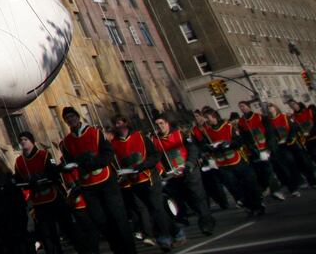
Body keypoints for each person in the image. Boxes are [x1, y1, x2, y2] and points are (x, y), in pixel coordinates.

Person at [58, 106, 135, 254]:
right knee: (100, 220)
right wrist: (62, 167)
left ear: (78, 117)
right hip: (88, 185)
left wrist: (94, 161)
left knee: (118, 217)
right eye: (67, 119)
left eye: (72, 116)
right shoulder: (66, 142)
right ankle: (117, 248)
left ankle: (129, 250)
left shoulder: (95, 132)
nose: (71, 120)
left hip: (106, 180)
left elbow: (108, 153)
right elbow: (68, 162)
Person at [111, 115, 177, 251]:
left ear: (125, 123)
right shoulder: (114, 144)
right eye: (115, 124)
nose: (118, 126)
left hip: (150, 177)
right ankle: (175, 231)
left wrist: (142, 166)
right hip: (133, 181)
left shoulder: (140, 137)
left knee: (156, 207)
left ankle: (165, 237)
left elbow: (155, 155)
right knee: (147, 210)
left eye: (119, 123)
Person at [152, 112, 215, 236]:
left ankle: (206, 225)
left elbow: (193, 149)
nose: (160, 127)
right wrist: (162, 172)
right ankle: (205, 218)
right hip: (173, 175)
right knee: (185, 200)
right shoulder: (155, 140)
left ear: (167, 123)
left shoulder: (180, 134)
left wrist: (190, 164)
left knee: (198, 198)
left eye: (161, 123)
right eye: (157, 125)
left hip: (189, 171)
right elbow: (157, 158)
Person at [13, 131, 70, 254]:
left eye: (25, 139)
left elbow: (53, 172)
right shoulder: (19, 161)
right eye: (20, 140)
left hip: (54, 197)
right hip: (38, 202)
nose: (22, 142)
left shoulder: (44, 154)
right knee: (46, 233)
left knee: (65, 227)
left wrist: (41, 177)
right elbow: (18, 179)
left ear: (32, 141)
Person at [203, 108, 266, 216]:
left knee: (248, 183)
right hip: (222, 163)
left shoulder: (229, 126)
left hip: (237, 160)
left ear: (214, 117)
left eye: (208, 118)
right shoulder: (207, 132)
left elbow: (239, 141)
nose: (207, 120)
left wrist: (229, 144)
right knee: (234, 186)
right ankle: (248, 205)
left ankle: (258, 205)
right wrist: (211, 148)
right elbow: (204, 146)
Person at [236, 100, 289, 199]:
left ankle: (282, 188)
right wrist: (251, 148)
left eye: (243, 106)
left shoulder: (260, 117)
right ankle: (272, 189)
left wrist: (269, 148)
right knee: (264, 171)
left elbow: (270, 133)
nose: (242, 108)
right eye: (240, 107)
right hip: (255, 151)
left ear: (249, 107)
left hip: (266, 148)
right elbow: (244, 137)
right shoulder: (241, 122)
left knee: (274, 169)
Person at [189, 109, 231, 211]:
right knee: (213, 182)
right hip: (206, 157)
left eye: (198, 116)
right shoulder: (194, 131)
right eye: (195, 117)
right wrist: (201, 154)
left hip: (218, 154)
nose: (197, 119)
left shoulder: (209, 126)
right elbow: (195, 145)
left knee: (225, 178)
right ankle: (222, 201)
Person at [268, 101, 315, 188]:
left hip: (293, 142)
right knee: (291, 162)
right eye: (269, 108)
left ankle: (312, 180)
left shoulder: (285, 117)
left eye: (271, 107)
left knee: (303, 160)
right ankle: (300, 181)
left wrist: (291, 137)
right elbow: (271, 134)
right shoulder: (269, 122)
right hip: (282, 145)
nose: (270, 109)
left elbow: (293, 128)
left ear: (275, 108)